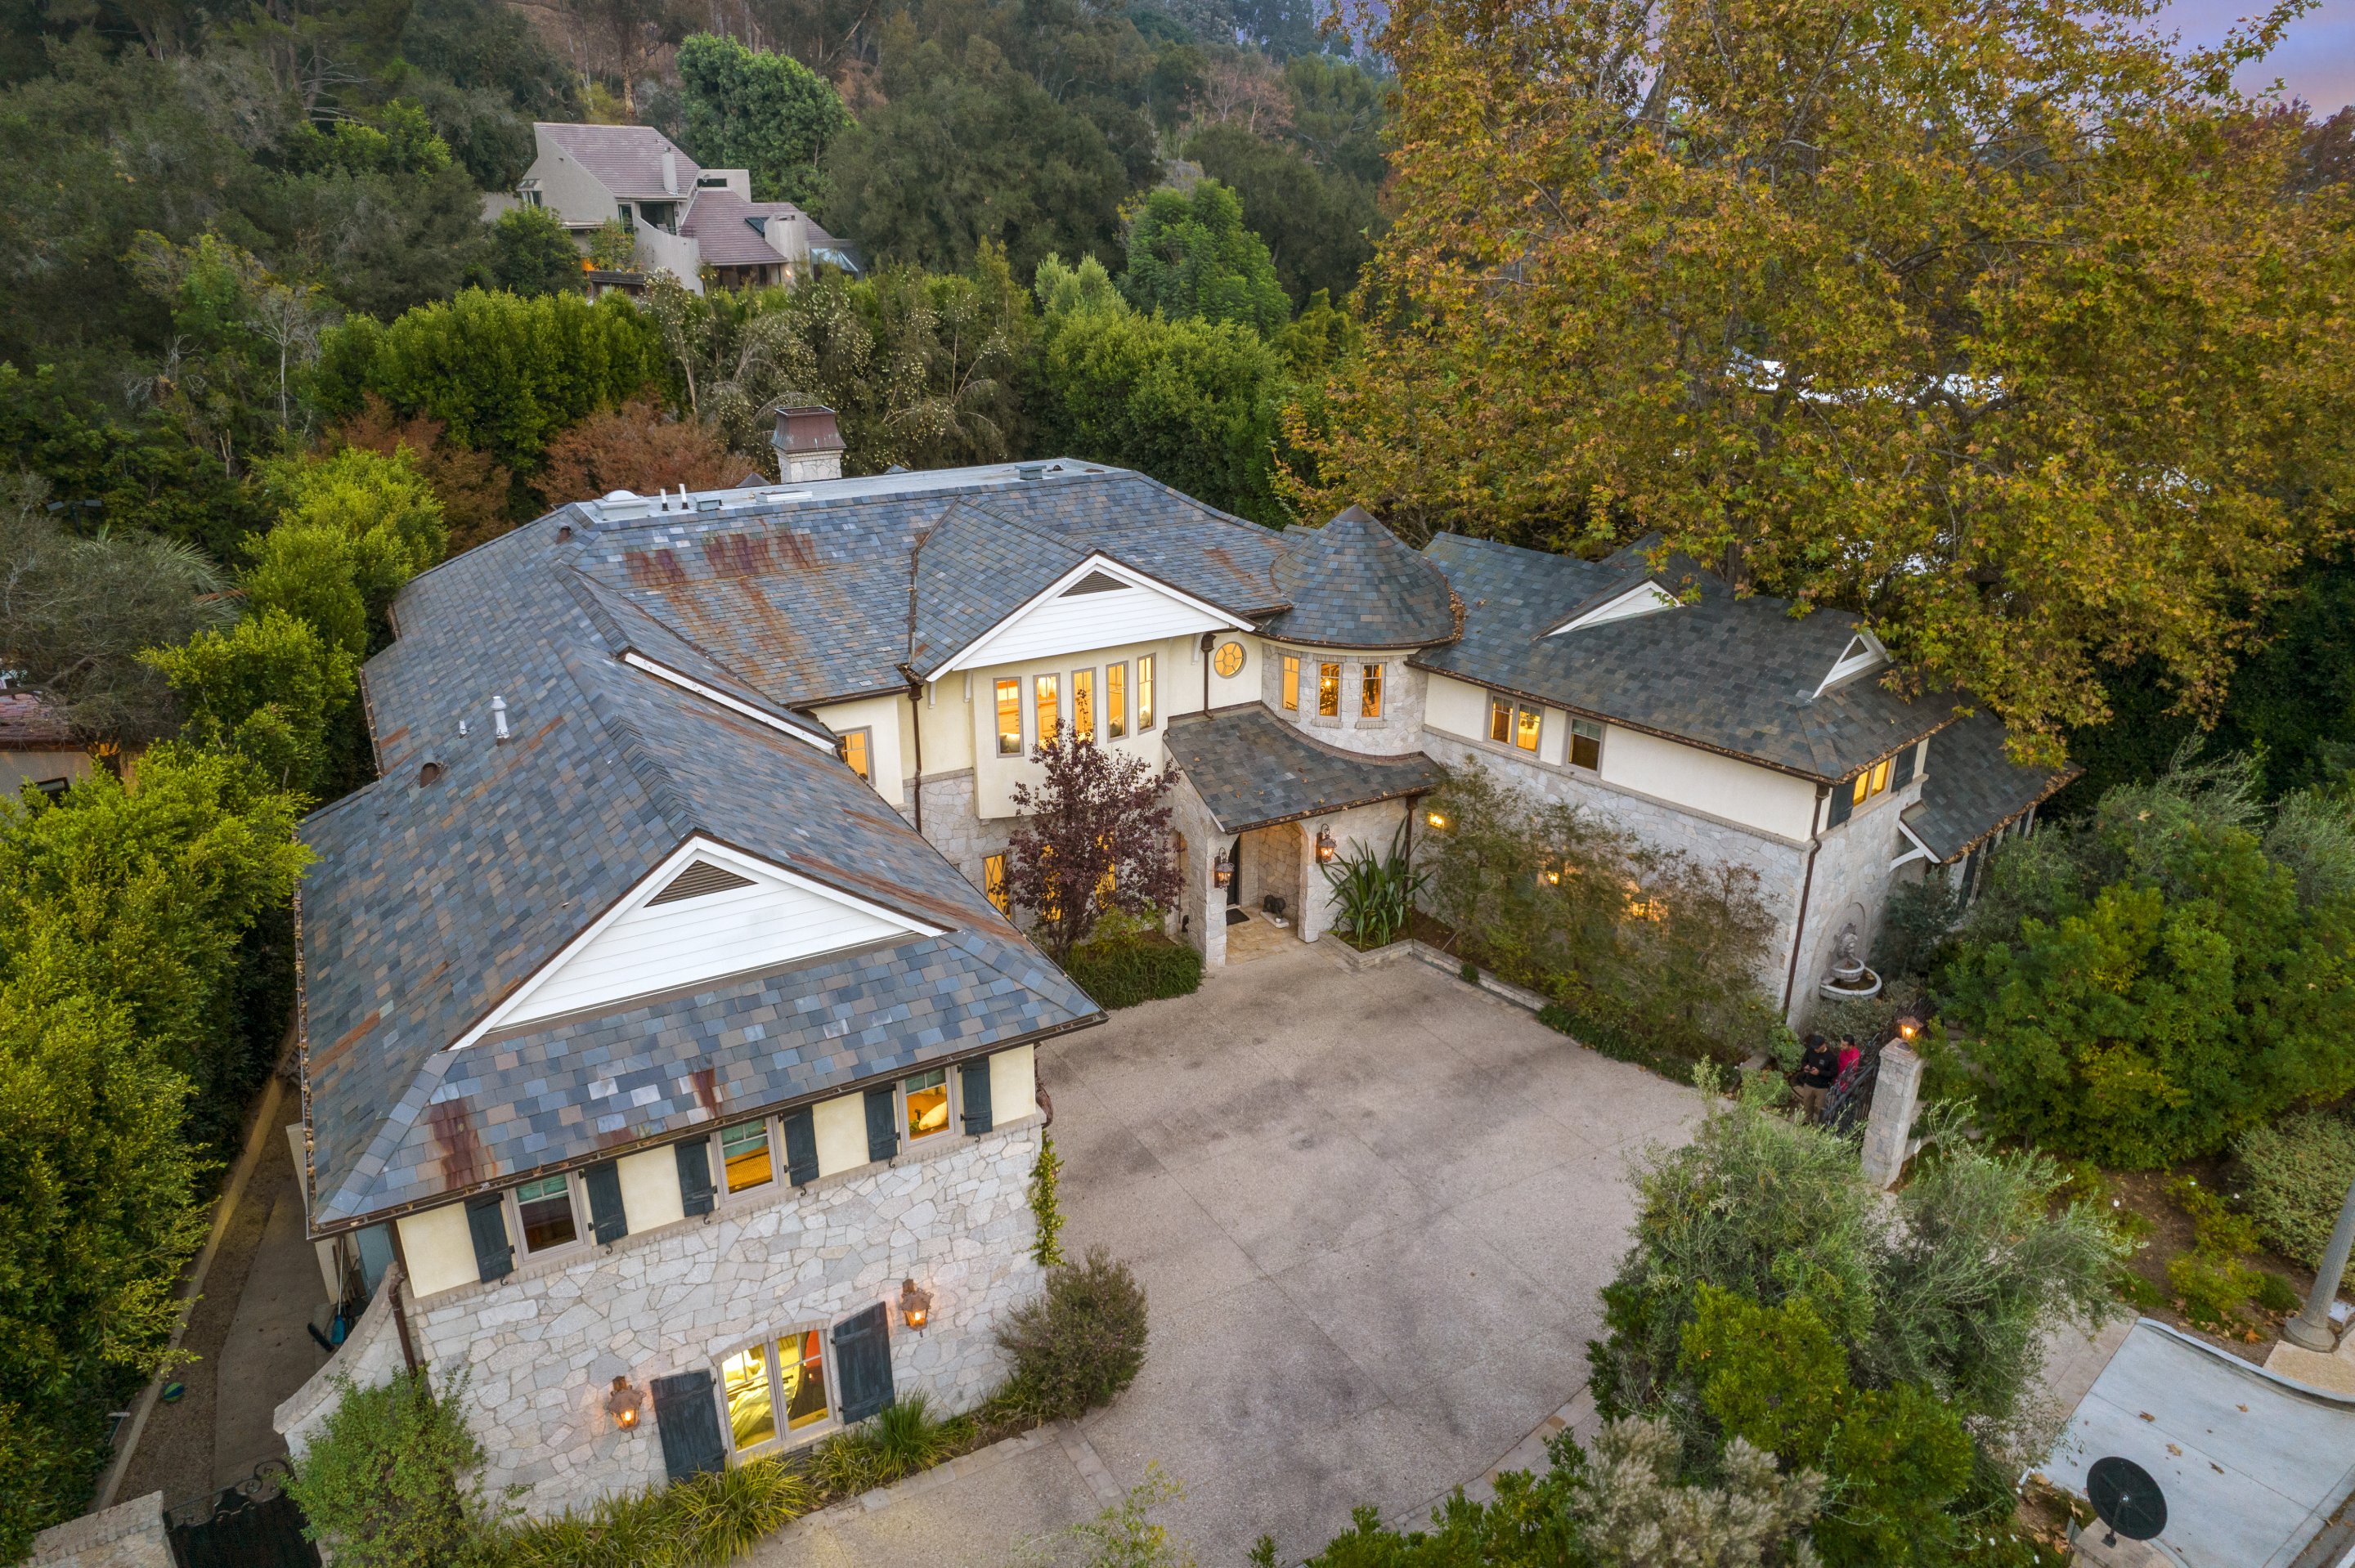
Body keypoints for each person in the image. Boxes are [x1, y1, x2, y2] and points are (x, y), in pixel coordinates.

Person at [1792, 1033, 1839, 1122]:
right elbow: (1804, 1061)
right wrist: (1805, 1066)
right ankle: (1807, 1121)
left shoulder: (1831, 1057)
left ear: (1824, 1045)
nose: (1815, 1049)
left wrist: (1819, 1072)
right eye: (1814, 1047)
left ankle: (1821, 1124)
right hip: (1808, 1083)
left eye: (1817, 1047)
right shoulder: (1810, 1050)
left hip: (1822, 1087)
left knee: (1821, 1108)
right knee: (1807, 1105)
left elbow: (1833, 1073)